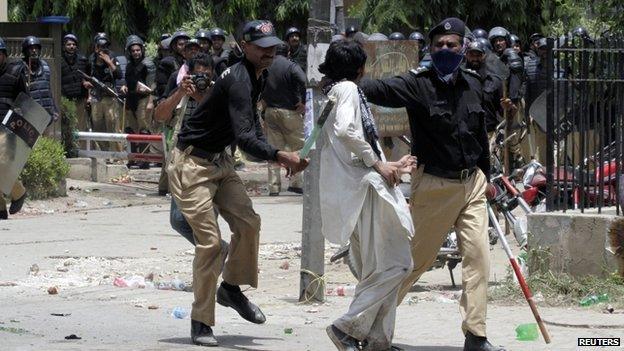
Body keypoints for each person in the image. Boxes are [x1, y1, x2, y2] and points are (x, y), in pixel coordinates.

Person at [359, 17, 507, 351]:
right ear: (430, 49)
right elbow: (379, 89)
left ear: (463, 48)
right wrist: (347, 82)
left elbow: (479, 135)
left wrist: (487, 178)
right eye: (438, 44)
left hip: (472, 184)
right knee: (414, 261)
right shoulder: (417, 84)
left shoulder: (473, 84)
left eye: (451, 44)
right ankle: (368, 325)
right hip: (435, 186)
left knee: (479, 259)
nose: (444, 49)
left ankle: (476, 335)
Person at [167, 20, 307, 346]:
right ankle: (201, 322)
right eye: (262, 46)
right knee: (211, 245)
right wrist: (279, 155)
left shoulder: (261, 75)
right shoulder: (240, 79)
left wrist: (277, 152)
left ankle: (230, 289)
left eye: (272, 45)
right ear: (245, 46)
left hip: (221, 162)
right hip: (192, 164)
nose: (269, 51)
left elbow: (252, 128)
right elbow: (246, 139)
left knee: (249, 223)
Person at [319, 39, 414, 351]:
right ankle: (346, 327)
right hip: (365, 188)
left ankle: (378, 340)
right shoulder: (347, 89)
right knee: (398, 265)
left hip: (359, 187)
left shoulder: (334, 91)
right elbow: (348, 131)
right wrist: (379, 164)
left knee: (379, 268)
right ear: (361, 68)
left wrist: (388, 164)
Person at [262, 43, 306, 196]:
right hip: (289, 112)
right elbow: (303, 80)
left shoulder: (265, 67)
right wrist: (304, 103)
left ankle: (274, 187)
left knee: (273, 150)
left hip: (270, 111)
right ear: (288, 52)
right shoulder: (291, 66)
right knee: (300, 147)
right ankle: (296, 182)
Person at [0, 37, 28, 220]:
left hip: (7, 126)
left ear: (3, 54)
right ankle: (0, 208)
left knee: (1, 165)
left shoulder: (16, 71)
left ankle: (18, 192)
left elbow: (25, 101)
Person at [121, 35, 156, 168]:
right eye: (133, 50)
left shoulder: (149, 64)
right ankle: (133, 157)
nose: (136, 52)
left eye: (138, 50)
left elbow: (152, 86)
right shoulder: (129, 65)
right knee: (131, 129)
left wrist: (150, 102)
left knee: (144, 128)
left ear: (141, 50)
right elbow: (128, 81)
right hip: (131, 99)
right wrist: (124, 86)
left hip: (144, 99)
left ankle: (145, 158)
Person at [88, 32, 122, 152]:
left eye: (105, 45)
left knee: (112, 125)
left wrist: (109, 62)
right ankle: (102, 154)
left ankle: (117, 156)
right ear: (96, 46)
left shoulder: (112, 57)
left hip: (109, 98)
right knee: (97, 126)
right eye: (100, 46)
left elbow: (119, 75)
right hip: (96, 97)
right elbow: (87, 77)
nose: (103, 48)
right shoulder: (91, 59)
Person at [21, 36, 59, 122]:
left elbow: (47, 90)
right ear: (25, 51)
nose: (34, 51)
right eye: (31, 48)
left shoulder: (45, 66)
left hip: (46, 115)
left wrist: (54, 109)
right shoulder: (20, 68)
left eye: (36, 48)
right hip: (29, 116)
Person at [60, 33, 90, 141]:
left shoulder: (83, 60)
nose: (71, 46)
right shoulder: (59, 60)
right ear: (64, 46)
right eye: (68, 44)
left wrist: (88, 96)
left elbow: (88, 78)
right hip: (65, 99)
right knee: (67, 125)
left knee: (80, 125)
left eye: (73, 44)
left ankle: (81, 150)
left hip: (80, 99)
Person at [156, 31, 189, 99]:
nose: (184, 47)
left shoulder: (191, 60)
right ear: (174, 46)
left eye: (186, 44)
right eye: (181, 44)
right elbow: (162, 88)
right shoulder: (167, 62)